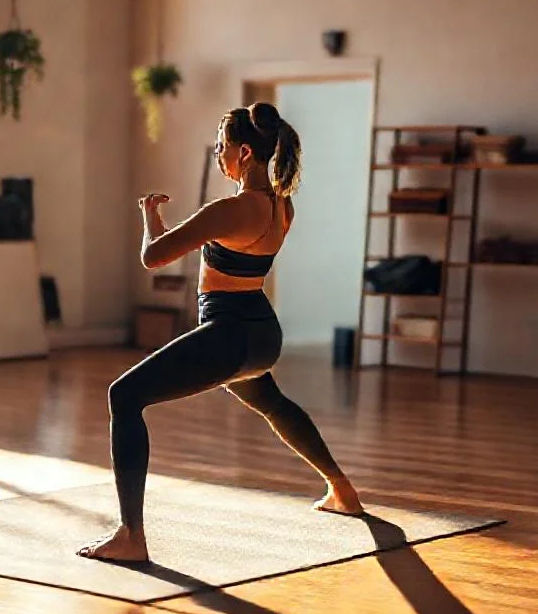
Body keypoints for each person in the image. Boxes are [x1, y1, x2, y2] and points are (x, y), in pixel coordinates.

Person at [77, 102, 365, 563]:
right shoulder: (282, 206)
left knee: (124, 397)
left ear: (245, 153)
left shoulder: (228, 210)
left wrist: (148, 214)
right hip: (262, 334)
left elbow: (153, 257)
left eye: (221, 146)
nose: (217, 154)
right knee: (272, 403)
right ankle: (342, 489)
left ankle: (131, 536)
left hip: (227, 334)